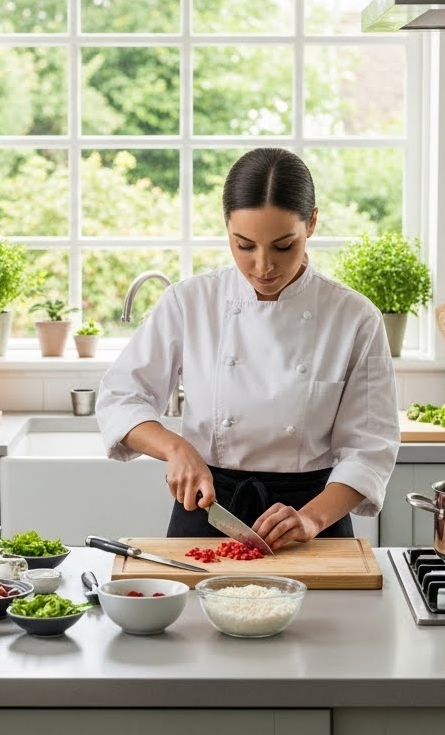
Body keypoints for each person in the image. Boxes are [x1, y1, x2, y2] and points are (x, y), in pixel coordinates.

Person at [95, 147, 399, 551]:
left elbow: (370, 447)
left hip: (312, 523)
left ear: (311, 223)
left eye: (283, 246)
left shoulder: (354, 316)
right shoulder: (190, 302)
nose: (263, 266)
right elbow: (120, 398)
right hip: (207, 509)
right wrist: (175, 447)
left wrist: (311, 518)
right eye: (244, 245)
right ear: (227, 229)